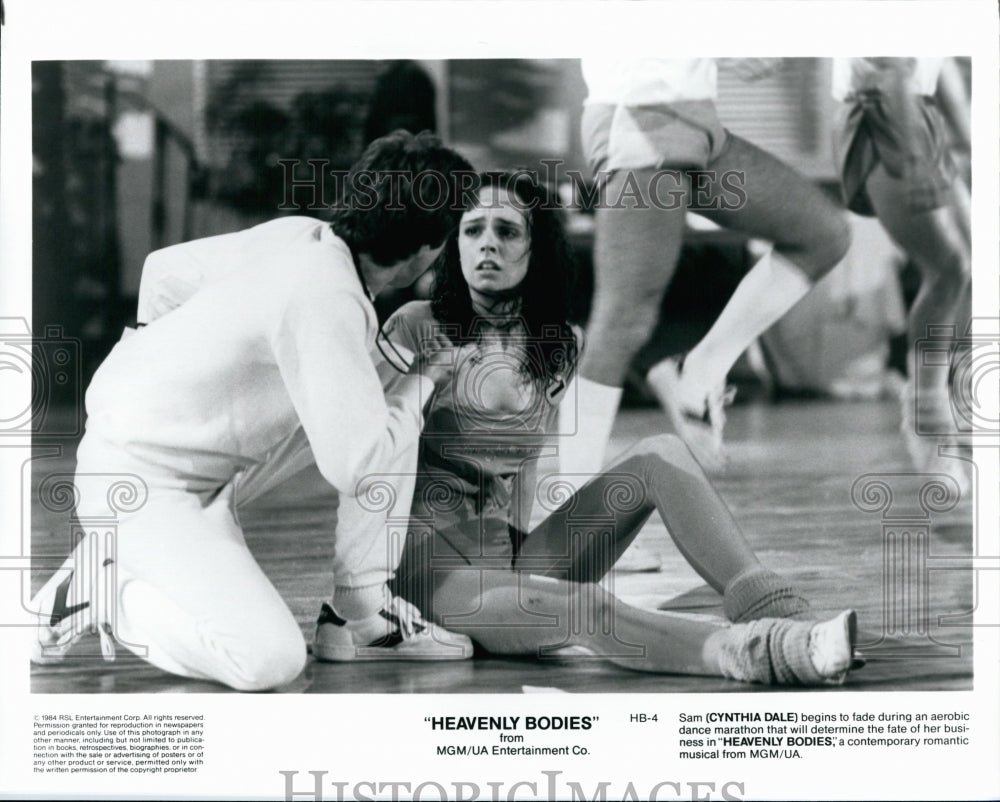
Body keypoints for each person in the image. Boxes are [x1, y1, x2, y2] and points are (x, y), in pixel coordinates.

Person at [314, 172, 859, 686]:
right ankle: (768, 652)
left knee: (658, 453)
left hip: (504, 560)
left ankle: (777, 610)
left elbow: (522, 475)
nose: (487, 244)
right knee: (586, 608)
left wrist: (524, 580)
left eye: (506, 231)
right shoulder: (416, 324)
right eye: (473, 229)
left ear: (537, 248)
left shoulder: (557, 343)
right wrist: (365, 593)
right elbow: (366, 454)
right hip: (427, 577)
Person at [30, 131, 479, 691]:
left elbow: (163, 269)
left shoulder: (303, 237)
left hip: (202, 467)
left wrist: (163, 374)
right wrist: (430, 379)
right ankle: (111, 590)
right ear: (426, 249)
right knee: (267, 661)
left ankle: (361, 614)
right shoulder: (331, 300)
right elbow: (357, 467)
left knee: (391, 372)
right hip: (142, 484)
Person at [560, 58, 852, 476]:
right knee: (622, 321)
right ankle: (567, 505)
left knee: (823, 235)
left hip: (694, 116)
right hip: (642, 114)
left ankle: (697, 372)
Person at [832, 58, 972, 479]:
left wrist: (967, 139)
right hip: (881, 116)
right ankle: (927, 415)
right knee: (949, 268)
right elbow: (889, 66)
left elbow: (939, 63)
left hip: (918, 115)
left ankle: (953, 403)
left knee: (966, 270)